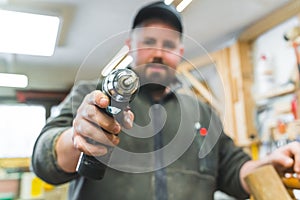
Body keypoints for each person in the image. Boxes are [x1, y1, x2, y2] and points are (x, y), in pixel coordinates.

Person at [31, 1, 300, 200]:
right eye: (149, 42)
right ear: (130, 46)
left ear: (180, 51)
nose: (159, 53)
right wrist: (78, 138)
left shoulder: (202, 113)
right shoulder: (92, 94)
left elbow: (235, 169)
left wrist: (269, 164)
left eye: (169, 45)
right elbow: (44, 159)